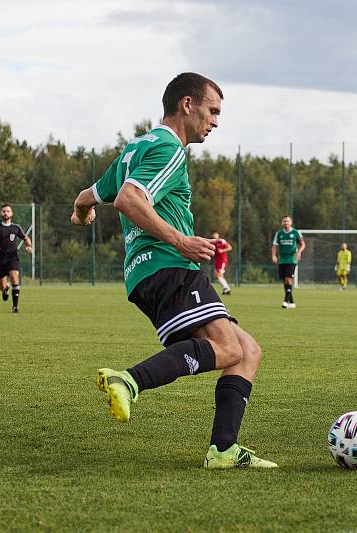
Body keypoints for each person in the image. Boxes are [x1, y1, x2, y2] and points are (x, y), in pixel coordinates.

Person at [69, 72, 276, 469]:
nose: (215, 121)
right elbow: (129, 199)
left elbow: (87, 197)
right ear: (187, 104)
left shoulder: (136, 148)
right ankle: (127, 380)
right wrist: (181, 241)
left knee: (246, 350)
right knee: (230, 347)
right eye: (212, 111)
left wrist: (83, 214)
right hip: (170, 267)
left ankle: (224, 450)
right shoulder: (170, 148)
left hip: (145, 274)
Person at [0, 203, 33, 313]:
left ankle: (15, 307)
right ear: (1, 213)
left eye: (8, 211)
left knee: (14, 277)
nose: (6, 213)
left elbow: (25, 238)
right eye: (4, 211)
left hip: (12, 257)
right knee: (1, 285)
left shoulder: (16, 228)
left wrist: (29, 246)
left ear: (12, 213)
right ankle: (5, 289)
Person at [271, 215, 305, 308]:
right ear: (282, 223)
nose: (286, 223)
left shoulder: (295, 232)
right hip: (282, 260)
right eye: (284, 221)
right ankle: (292, 302)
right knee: (285, 280)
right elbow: (275, 245)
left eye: (288, 221)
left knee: (288, 278)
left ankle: (286, 300)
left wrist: (299, 252)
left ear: (291, 222)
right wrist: (273, 255)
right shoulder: (279, 233)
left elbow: (302, 244)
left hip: (292, 259)